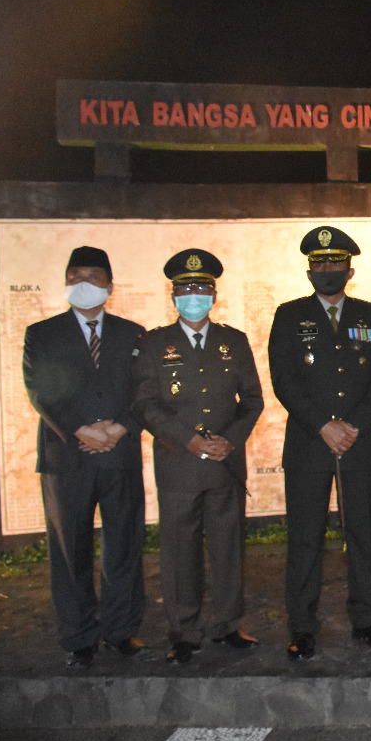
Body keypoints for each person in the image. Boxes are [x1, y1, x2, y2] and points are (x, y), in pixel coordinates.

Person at [131, 249, 265, 664]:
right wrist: (187, 439)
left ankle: (225, 625)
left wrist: (231, 440)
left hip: (225, 463)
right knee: (179, 548)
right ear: (173, 296)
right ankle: (183, 630)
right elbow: (144, 404)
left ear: (214, 294)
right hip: (179, 463)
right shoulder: (154, 343)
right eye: (186, 289)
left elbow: (254, 401)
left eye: (202, 288)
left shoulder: (234, 341)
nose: (195, 295)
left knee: (228, 546)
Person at [269, 226, 371, 660]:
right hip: (308, 443)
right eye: (319, 264)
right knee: (305, 538)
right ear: (308, 270)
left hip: (359, 443)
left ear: (350, 269)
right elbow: (283, 380)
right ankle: (302, 627)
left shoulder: (370, 314)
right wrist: (324, 424)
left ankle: (367, 621)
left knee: (362, 534)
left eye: (334, 263)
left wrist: (352, 425)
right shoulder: (288, 316)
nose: (326, 270)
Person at [22, 246, 147, 667]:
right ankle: (78, 635)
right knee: (68, 549)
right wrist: (81, 429)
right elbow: (39, 390)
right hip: (67, 457)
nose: (84, 285)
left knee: (123, 547)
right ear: (65, 282)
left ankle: (121, 630)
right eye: (75, 276)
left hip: (120, 453)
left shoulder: (134, 334)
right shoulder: (42, 333)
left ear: (110, 286)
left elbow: (145, 392)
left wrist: (117, 428)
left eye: (94, 277)